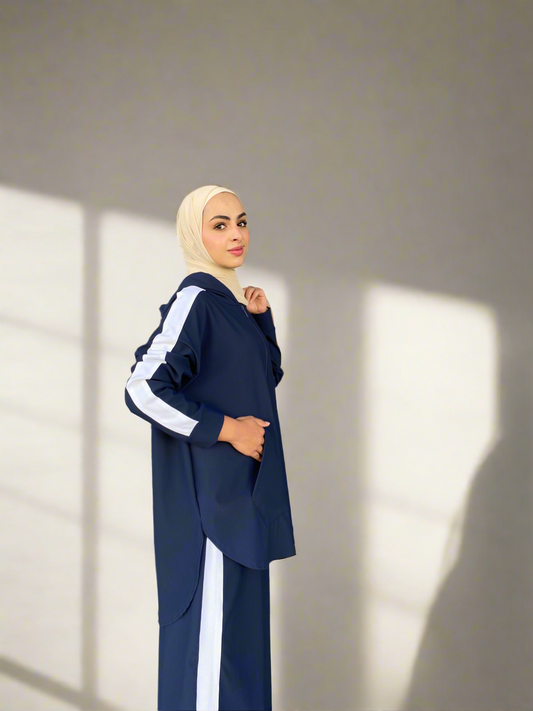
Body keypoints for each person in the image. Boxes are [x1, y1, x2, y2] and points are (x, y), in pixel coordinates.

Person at [124, 184, 296, 711]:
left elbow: (259, 381)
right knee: (212, 664)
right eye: (219, 225)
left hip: (244, 507)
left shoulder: (229, 303)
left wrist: (260, 322)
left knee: (241, 662)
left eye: (241, 222)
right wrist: (227, 430)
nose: (236, 234)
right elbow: (143, 388)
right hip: (212, 515)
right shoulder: (196, 299)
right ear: (193, 234)